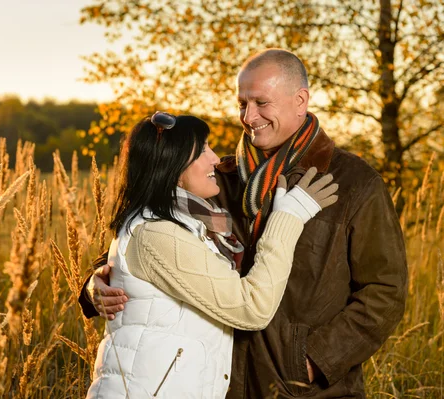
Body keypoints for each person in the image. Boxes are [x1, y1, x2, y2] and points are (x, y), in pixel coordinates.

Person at [81, 49, 408, 398]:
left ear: (300, 100)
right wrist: (97, 285)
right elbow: (149, 243)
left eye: (261, 103)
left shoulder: (352, 183)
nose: (248, 117)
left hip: (308, 390)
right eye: (242, 104)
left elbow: (385, 291)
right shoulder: (216, 180)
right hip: (223, 384)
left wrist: (314, 360)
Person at [86, 112, 338, 398]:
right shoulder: (157, 232)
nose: (215, 159)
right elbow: (252, 308)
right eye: (203, 150)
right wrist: (288, 218)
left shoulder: (192, 219)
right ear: (173, 165)